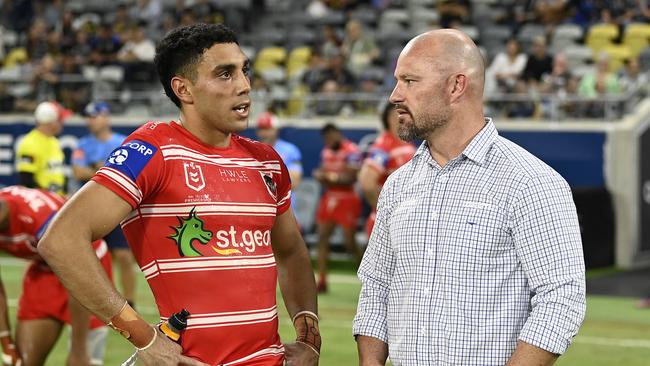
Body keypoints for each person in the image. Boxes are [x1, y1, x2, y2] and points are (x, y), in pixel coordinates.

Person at [37, 23, 320, 366]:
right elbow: (62, 239)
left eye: (244, 70)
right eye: (224, 74)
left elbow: (292, 252)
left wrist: (309, 340)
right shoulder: (154, 149)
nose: (245, 86)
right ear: (184, 89)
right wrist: (142, 337)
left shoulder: (267, 161)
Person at [353, 29, 586, 365]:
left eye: (409, 81)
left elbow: (562, 298)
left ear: (456, 86)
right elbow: (376, 287)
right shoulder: (398, 184)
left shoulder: (531, 181)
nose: (394, 95)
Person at [0, 185, 113, 366]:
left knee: (80, 361)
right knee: (21, 362)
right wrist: (7, 344)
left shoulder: (38, 217)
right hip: (45, 269)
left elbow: (79, 273)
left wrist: (78, 349)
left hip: (89, 264)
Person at [72, 102, 137, 309]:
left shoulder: (122, 142)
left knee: (125, 257)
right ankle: (99, 303)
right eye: (88, 117)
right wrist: (107, 170)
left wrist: (97, 169)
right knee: (91, 258)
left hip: (116, 208)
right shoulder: (82, 144)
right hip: (91, 209)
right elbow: (78, 173)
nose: (90, 121)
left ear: (106, 117)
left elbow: (129, 174)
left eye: (94, 116)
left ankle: (130, 302)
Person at [313, 123, 363, 293]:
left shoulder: (352, 150)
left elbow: (350, 178)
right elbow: (323, 172)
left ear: (338, 134)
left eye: (330, 137)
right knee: (322, 237)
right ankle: (322, 280)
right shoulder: (326, 151)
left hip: (347, 198)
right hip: (330, 197)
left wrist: (329, 177)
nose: (328, 141)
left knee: (350, 242)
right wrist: (324, 176)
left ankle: (367, 276)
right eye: (325, 139)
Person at [357, 103, 416, 238]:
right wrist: (383, 211)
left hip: (405, 218)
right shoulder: (383, 145)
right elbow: (366, 182)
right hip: (387, 222)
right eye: (402, 112)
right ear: (390, 117)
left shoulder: (405, 141)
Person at [15, 100, 71, 195]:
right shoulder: (30, 143)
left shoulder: (54, 141)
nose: (62, 123)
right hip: (41, 200)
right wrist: (46, 198)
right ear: (49, 120)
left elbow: (60, 171)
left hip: (58, 199)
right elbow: (26, 179)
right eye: (60, 120)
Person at [255, 111, 303, 189]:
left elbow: (294, 183)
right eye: (261, 129)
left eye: (267, 129)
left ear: (276, 130)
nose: (264, 133)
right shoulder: (251, 150)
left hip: (283, 200)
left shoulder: (290, 150)